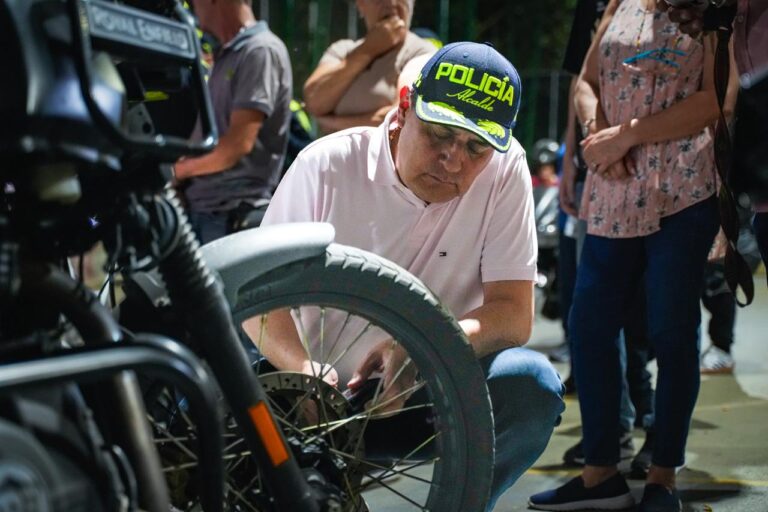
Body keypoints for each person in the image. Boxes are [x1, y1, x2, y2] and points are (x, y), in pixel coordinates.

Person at [249, 42, 565, 511]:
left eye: (476, 147)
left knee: (532, 384)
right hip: (316, 395)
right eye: (439, 134)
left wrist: (421, 346)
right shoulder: (326, 164)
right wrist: (300, 369)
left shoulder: (506, 168)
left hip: (429, 389)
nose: (453, 160)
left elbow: (513, 314)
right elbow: (257, 295)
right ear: (403, 109)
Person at [529, 0, 737, 510]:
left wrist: (628, 136)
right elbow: (585, 79)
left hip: (683, 191)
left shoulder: (710, 9)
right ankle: (601, 472)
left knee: (670, 328)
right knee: (590, 324)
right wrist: (598, 134)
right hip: (612, 186)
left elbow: (717, 99)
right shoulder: (619, 2)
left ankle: (663, 473)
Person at [174, 0, 293, 244]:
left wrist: (178, 171)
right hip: (206, 212)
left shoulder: (260, 50)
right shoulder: (227, 54)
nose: (192, 6)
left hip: (231, 217)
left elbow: (236, 146)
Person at [302, 0, 435, 134]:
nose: (391, 3)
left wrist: (332, 123)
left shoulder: (424, 54)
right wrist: (368, 49)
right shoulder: (342, 50)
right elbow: (313, 100)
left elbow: (400, 116)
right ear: (361, 4)